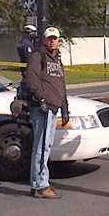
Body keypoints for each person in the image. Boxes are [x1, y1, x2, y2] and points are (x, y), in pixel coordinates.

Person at [24, 26, 69, 199]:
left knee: (46, 146)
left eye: (55, 38)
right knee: (42, 146)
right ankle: (40, 185)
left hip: (54, 107)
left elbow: (61, 85)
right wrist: (41, 100)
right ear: (44, 39)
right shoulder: (38, 56)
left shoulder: (57, 60)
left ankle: (40, 181)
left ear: (59, 40)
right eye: (49, 38)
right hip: (43, 108)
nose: (52, 41)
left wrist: (65, 107)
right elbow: (32, 80)